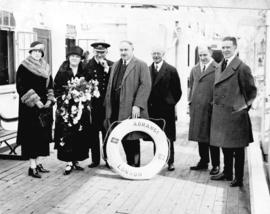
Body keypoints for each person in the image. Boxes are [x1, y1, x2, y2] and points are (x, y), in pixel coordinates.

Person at [210, 37, 257, 187]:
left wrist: (242, 108)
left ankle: (238, 178)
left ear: (235, 48)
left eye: (228, 47)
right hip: (221, 114)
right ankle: (227, 172)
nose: (225, 50)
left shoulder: (242, 67)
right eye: (223, 47)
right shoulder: (219, 66)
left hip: (235, 115)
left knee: (237, 148)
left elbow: (251, 92)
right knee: (225, 145)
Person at [104, 40, 151, 167]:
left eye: (126, 50)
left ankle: (135, 165)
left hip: (130, 108)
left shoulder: (141, 65)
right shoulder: (115, 65)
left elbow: (145, 86)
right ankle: (129, 163)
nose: (123, 52)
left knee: (132, 137)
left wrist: (137, 105)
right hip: (115, 108)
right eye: (121, 50)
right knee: (121, 135)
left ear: (132, 50)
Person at [16, 41, 55, 178]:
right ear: (31, 52)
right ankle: (32, 167)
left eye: (40, 52)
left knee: (42, 137)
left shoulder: (46, 67)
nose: (37, 53)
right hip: (30, 109)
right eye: (35, 51)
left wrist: (50, 100)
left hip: (44, 108)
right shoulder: (24, 67)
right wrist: (36, 101)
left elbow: (50, 85)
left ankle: (38, 163)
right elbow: (21, 87)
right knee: (32, 138)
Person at [54, 46, 89, 175]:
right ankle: (68, 161)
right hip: (66, 108)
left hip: (80, 107)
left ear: (80, 59)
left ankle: (76, 160)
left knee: (79, 133)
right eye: (72, 56)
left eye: (77, 57)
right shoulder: (63, 71)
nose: (74, 58)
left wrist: (83, 96)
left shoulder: (84, 70)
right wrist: (65, 97)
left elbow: (89, 86)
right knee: (67, 133)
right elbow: (56, 87)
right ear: (68, 57)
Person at [148, 46, 182, 171]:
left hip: (166, 110)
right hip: (153, 109)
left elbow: (177, 91)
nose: (156, 56)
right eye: (154, 53)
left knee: (168, 136)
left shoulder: (171, 70)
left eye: (158, 53)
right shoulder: (148, 69)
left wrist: (170, 103)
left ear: (163, 54)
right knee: (155, 135)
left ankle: (170, 161)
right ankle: (157, 161)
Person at [188, 44, 220, 175]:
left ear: (210, 54)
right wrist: (189, 102)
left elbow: (220, 88)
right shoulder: (195, 69)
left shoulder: (217, 68)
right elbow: (191, 86)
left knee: (212, 138)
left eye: (205, 55)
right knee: (200, 136)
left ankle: (216, 164)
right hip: (197, 107)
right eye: (200, 55)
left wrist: (215, 103)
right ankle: (203, 161)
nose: (202, 57)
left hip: (211, 107)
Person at [84, 42, 113, 168]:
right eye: (97, 52)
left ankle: (107, 158)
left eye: (102, 52)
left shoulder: (111, 64)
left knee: (107, 132)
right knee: (93, 133)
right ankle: (95, 160)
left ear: (106, 52)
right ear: (93, 52)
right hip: (93, 105)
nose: (100, 54)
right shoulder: (87, 65)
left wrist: (107, 68)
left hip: (106, 105)